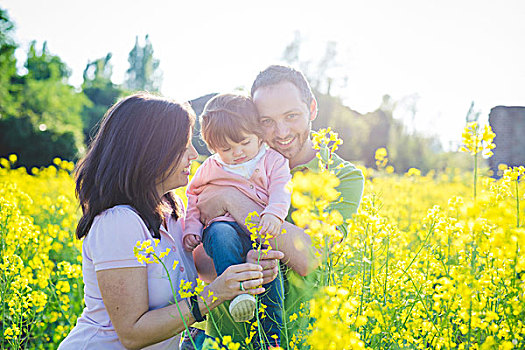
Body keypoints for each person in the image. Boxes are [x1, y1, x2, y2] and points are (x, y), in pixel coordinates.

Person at [59, 93, 283, 350]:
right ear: (151, 151)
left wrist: (247, 266)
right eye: (183, 144)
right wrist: (213, 296)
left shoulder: (172, 211)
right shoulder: (118, 223)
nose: (194, 154)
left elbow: (206, 270)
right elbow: (132, 334)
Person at [192, 65, 365, 346]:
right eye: (267, 121)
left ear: (312, 108)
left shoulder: (343, 176)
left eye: (292, 116)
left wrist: (231, 199)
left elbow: (310, 257)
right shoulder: (226, 165)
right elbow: (198, 263)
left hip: (295, 337)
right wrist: (242, 262)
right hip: (226, 336)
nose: (281, 132)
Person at [183, 93, 290, 346]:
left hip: (258, 234)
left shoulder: (272, 160)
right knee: (221, 234)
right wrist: (192, 228)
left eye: (244, 143)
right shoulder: (211, 166)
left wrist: (274, 213)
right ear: (213, 148)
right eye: (226, 149)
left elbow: (281, 189)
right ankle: (237, 294)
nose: (237, 153)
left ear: (258, 135)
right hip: (224, 229)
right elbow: (193, 196)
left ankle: (271, 340)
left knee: (268, 277)